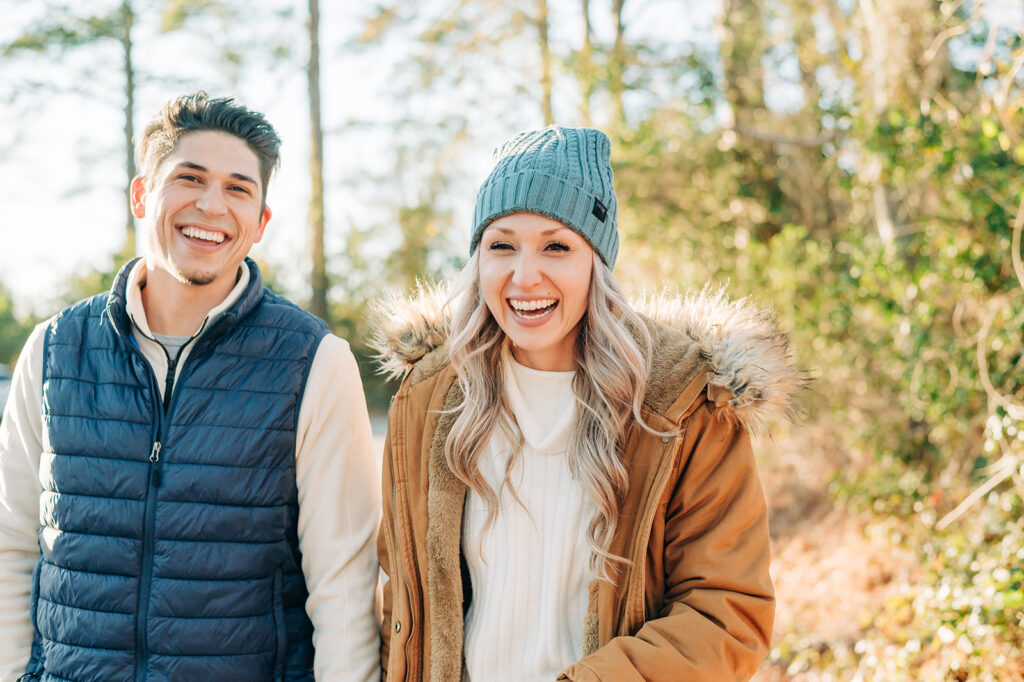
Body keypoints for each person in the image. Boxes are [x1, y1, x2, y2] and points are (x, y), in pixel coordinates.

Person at [372, 125, 802, 681]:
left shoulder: (684, 407)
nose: (525, 276)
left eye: (556, 246)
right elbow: (402, 602)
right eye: (501, 245)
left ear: (596, 262)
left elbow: (726, 613)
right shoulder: (427, 402)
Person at [0, 92, 381, 682]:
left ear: (260, 223)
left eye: (238, 188)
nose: (211, 205)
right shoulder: (54, 351)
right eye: (190, 178)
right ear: (141, 194)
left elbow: (345, 588)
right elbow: (10, 549)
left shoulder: (315, 364)